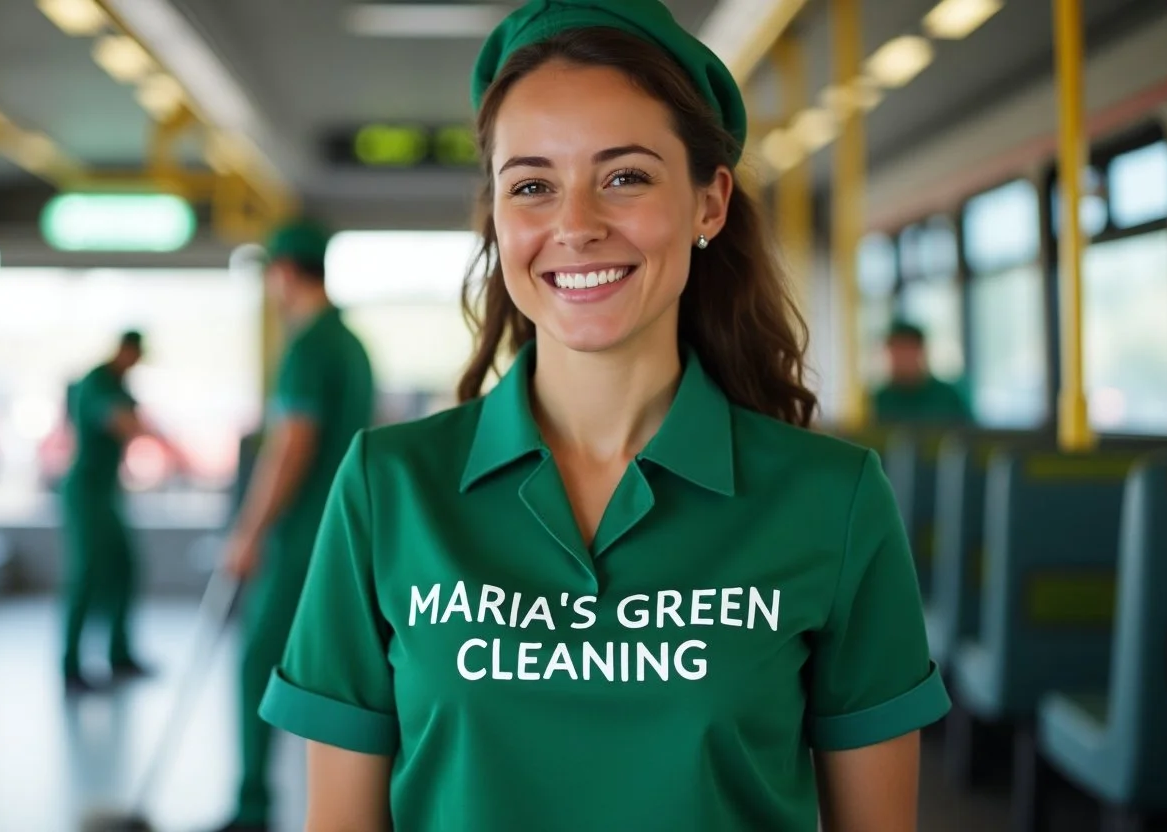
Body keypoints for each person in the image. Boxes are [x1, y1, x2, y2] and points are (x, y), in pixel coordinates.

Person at [260, 2, 950, 830]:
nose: (576, 226)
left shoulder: (833, 503)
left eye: (625, 176)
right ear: (499, 217)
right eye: (532, 186)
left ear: (709, 202)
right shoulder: (387, 489)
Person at [213, 219, 375, 832]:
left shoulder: (307, 348)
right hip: (345, 537)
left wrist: (248, 533)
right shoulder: (351, 345)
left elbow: (290, 448)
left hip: (303, 537)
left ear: (283, 273)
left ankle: (252, 806)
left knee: (259, 664)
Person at [61, 330, 182, 694]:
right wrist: (156, 435)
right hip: (85, 491)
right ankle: (70, 665)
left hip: (108, 492)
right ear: (124, 350)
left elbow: (138, 421)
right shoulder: (97, 382)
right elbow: (123, 422)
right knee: (86, 574)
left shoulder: (120, 384)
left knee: (124, 567)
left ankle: (120, 654)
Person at [871, 319, 973, 425]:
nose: (903, 359)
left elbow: (971, 435)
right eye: (897, 351)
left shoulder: (949, 397)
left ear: (922, 352)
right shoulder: (877, 401)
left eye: (908, 350)